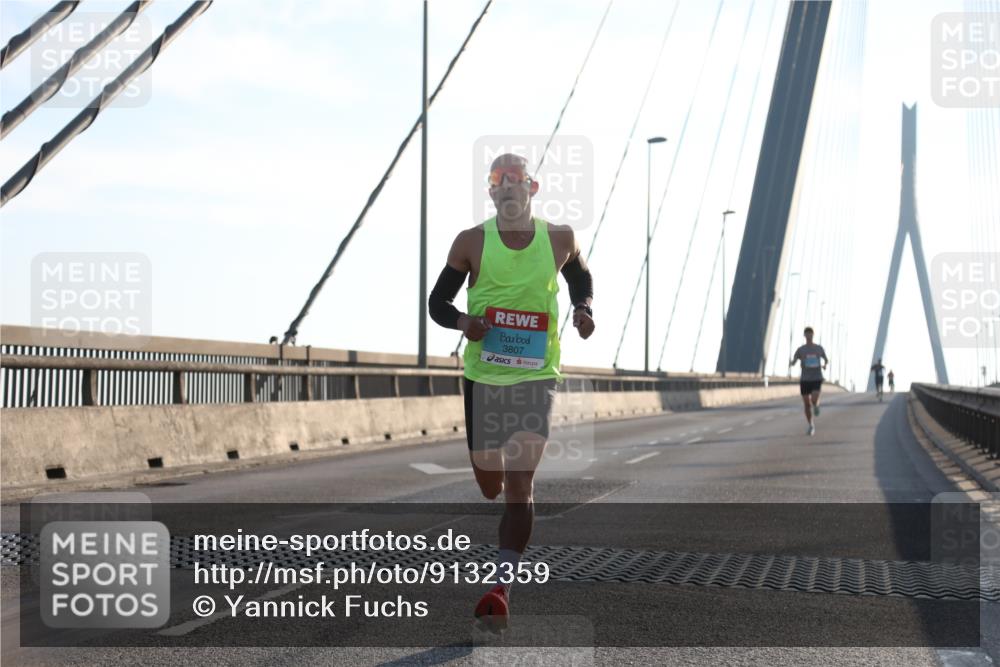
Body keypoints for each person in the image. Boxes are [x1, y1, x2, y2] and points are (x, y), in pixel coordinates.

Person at [428, 153, 595, 629]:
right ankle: (491, 480)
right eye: (496, 180)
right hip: (484, 377)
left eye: (513, 179)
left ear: (532, 187)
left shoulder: (559, 238)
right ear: (491, 191)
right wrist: (464, 322)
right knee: (490, 485)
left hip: (536, 374)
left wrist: (583, 310)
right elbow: (437, 302)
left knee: (520, 485)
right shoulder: (471, 242)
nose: (505, 186)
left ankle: (501, 587)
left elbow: (581, 277)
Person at [790, 326, 828, 436]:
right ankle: (811, 425)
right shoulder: (801, 349)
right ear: (804, 335)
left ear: (813, 335)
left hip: (816, 377)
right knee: (806, 403)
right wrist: (792, 363)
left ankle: (816, 405)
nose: (809, 335)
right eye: (807, 334)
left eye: (810, 333)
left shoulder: (819, 348)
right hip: (805, 379)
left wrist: (825, 365)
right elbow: (795, 359)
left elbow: (826, 359)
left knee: (814, 398)